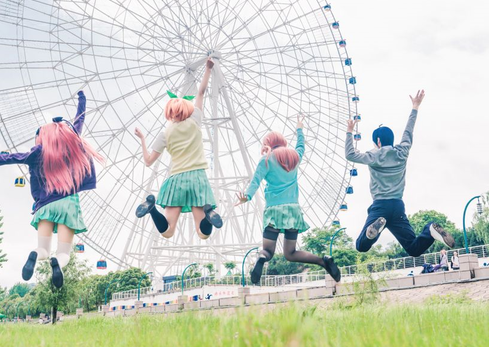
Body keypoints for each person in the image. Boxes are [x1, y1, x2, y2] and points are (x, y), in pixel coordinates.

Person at [0, 91, 104, 287]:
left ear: (43, 138)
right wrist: (82, 99)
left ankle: (36, 255)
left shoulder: (37, 152)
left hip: (45, 206)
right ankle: (58, 263)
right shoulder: (70, 146)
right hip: (68, 204)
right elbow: (79, 122)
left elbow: (12, 157)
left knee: (43, 249)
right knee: (63, 253)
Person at [345, 90, 455, 257]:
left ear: (378, 142)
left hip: (380, 207)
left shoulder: (373, 156)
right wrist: (415, 107)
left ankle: (373, 230)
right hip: (397, 206)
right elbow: (408, 131)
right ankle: (430, 229)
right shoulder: (402, 151)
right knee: (413, 249)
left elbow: (350, 154)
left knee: (361, 246)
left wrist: (349, 131)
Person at [235, 116, 341, 284]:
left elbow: (255, 181)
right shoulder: (294, 157)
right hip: (293, 211)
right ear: (283, 142)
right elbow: (300, 146)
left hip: (274, 212)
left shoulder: (266, 160)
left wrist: (246, 197)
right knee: (290, 253)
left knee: (268, 251)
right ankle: (323, 261)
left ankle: (261, 258)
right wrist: (299, 128)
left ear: (267, 143)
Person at [134, 58, 223, 240]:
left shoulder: (165, 133)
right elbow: (201, 92)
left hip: (175, 180)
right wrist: (207, 69)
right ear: (187, 109)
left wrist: (143, 139)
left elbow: (149, 161)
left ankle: (151, 209)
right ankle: (208, 215)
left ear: (169, 111)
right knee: (202, 233)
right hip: (197, 178)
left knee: (167, 231)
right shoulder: (195, 120)